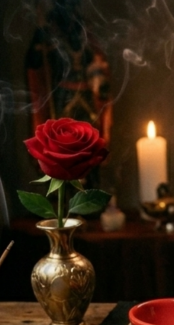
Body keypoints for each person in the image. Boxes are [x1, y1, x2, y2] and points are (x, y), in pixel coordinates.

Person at [25, 0, 112, 188]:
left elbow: (97, 62)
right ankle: (65, 193)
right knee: (63, 142)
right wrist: (40, 42)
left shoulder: (85, 32)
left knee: (90, 140)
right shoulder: (49, 33)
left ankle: (90, 186)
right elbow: (35, 63)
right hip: (62, 96)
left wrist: (99, 78)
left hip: (86, 95)